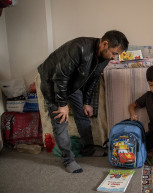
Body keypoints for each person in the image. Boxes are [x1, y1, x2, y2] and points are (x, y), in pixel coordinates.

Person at [38, 30, 129, 173]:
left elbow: (92, 80)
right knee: (61, 122)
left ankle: (89, 149)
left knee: (83, 115)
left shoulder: (105, 58)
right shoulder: (79, 47)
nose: (114, 57)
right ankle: (68, 159)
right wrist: (62, 105)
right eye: (114, 53)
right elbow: (60, 78)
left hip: (73, 84)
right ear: (104, 44)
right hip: (53, 83)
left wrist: (86, 102)